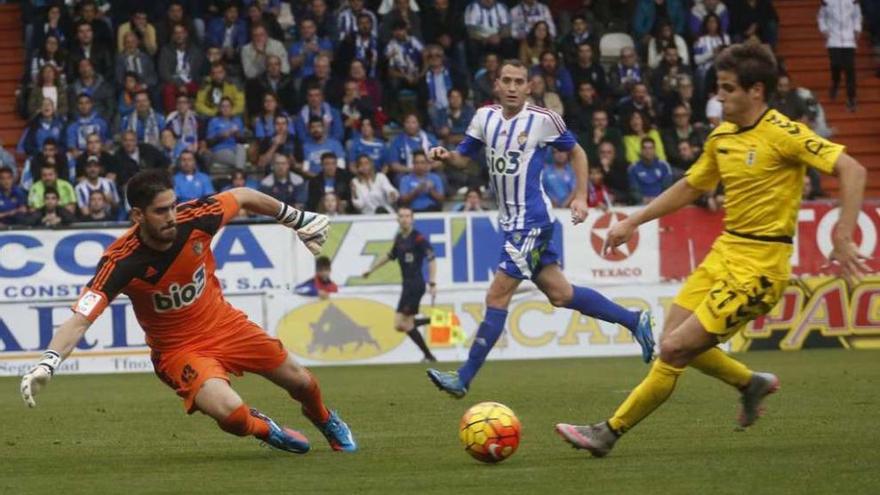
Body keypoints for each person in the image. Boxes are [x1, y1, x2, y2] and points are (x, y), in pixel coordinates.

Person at [555, 42, 870, 457]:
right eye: (719, 87)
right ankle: (748, 382)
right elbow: (692, 185)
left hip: (759, 269)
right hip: (724, 253)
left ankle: (607, 432)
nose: (719, 96)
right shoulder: (722, 137)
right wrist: (633, 221)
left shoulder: (783, 133)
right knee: (672, 338)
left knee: (672, 350)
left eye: (728, 88)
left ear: (756, 91)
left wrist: (842, 234)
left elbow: (853, 168)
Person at [20, 169, 358, 454]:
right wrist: (49, 361)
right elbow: (81, 318)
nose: (171, 217)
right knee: (233, 416)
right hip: (178, 351)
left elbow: (241, 195)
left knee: (301, 381)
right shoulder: (121, 261)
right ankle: (264, 428)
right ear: (138, 216)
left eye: (173, 206)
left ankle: (325, 419)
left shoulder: (196, 218)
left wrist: (296, 218)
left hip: (225, 325)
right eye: (160, 211)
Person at [426, 59, 655, 398]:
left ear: (529, 87)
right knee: (561, 294)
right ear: (497, 85)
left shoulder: (543, 120)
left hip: (532, 222)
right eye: (507, 80)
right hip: (511, 223)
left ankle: (463, 378)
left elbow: (577, 153)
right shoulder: (484, 117)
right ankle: (635, 321)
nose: (513, 87)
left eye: (520, 81)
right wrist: (446, 156)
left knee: (497, 294)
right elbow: (465, 156)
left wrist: (580, 197)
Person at [362, 206, 438, 363]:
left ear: (412, 219)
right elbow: (390, 256)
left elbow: (431, 258)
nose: (404, 219)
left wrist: (432, 282)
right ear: (397, 219)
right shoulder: (399, 238)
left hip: (416, 285)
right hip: (407, 285)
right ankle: (432, 322)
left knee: (402, 323)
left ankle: (429, 356)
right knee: (400, 325)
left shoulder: (418, 238)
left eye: (407, 216)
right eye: (401, 216)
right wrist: (371, 270)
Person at [819, 0, 862, 112]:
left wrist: (857, 29)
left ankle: (851, 98)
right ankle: (835, 82)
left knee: (849, 68)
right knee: (836, 64)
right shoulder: (826, 1)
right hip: (833, 39)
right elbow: (821, 17)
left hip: (849, 40)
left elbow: (857, 15)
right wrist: (824, 29)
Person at [628, 137, 673, 203]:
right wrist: (643, 199)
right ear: (641, 150)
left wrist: (658, 200)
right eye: (645, 148)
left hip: (662, 203)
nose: (648, 151)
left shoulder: (664, 166)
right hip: (641, 204)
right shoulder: (633, 168)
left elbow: (667, 188)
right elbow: (634, 190)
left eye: (650, 148)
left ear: (654, 150)